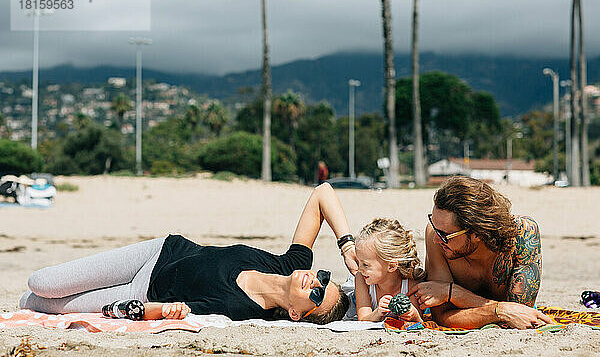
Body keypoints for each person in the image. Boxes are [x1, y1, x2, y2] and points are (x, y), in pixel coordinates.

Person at [20, 183, 359, 325]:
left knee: (34, 302)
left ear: (296, 315)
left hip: (142, 292)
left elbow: (172, 312)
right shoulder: (293, 263)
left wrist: (155, 311)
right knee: (43, 280)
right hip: (159, 252)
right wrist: (346, 244)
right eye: (324, 278)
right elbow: (322, 193)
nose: (314, 280)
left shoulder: (241, 311)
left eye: (316, 294)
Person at [408, 176, 553, 329]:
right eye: (433, 223)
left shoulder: (523, 235)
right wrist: (501, 310)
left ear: (477, 233)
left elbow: (519, 315)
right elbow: (443, 316)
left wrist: (454, 293)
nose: (437, 239)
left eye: (445, 235)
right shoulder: (435, 235)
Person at [344, 218, 424, 322]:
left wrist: (413, 314)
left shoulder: (410, 284)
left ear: (391, 266)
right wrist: (377, 312)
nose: (359, 269)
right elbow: (363, 319)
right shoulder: (361, 278)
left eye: (365, 264)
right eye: (358, 262)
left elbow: (419, 321)